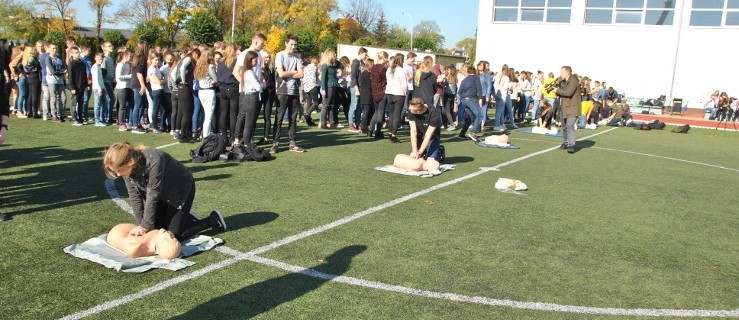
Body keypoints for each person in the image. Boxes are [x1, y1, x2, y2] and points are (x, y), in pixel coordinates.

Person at [103, 142, 227, 241]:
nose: (119, 174)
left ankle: (211, 220)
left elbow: (153, 194)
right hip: (162, 194)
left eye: (120, 170)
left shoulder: (153, 160)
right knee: (156, 230)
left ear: (130, 162)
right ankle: (185, 216)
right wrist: (141, 225)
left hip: (180, 190)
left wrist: (145, 225)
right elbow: (134, 196)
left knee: (173, 236)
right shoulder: (128, 169)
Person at [270, 34, 305, 153]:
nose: (293, 47)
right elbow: (281, 74)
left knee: (293, 118)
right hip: (282, 90)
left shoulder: (297, 57)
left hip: (294, 91)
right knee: (279, 118)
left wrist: (288, 73)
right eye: (291, 44)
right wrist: (293, 72)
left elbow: (301, 74)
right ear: (286, 43)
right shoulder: (280, 55)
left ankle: (292, 143)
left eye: (295, 45)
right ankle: (275, 144)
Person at [106, 223, 182, 259]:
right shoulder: (162, 237)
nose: (168, 235)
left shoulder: (135, 247)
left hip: (118, 232)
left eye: (167, 239)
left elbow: (123, 240)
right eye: (172, 238)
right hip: (127, 230)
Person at [233, 51, 262, 145]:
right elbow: (258, 87)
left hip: (248, 97)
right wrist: (259, 86)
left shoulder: (246, 72)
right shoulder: (249, 72)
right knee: (249, 124)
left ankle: (245, 142)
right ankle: (246, 144)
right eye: (255, 60)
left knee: (247, 122)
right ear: (249, 61)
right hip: (251, 97)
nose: (256, 62)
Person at [551, 66, 580, 153]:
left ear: (567, 72)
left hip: (572, 108)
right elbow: (563, 93)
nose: (561, 74)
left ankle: (571, 145)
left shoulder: (573, 81)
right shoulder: (565, 82)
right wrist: (556, 91)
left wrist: (557, 90)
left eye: (562, 72)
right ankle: (566, 142)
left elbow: (568, 93)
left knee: (570, 126)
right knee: (564, 127)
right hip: (564, 107)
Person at [216, 44, 240, 143]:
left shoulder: (220, 62)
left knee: (223, 114)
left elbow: (218, 75)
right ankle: (233, 136)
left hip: (222, 89)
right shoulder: (236, 61)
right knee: (233, 114)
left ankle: (224, 136)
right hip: (233, 88)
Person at [384, 53, 408, 143]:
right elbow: (404, 83)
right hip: (399, 94)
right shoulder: (400, 70)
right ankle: (394, 134)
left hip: (389, 93)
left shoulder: (389, 69)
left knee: (391, 114)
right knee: (397, 115)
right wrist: (405, 92)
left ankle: (390, 132)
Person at [194, 49, 217, 137]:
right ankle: (206, 135)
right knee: (209, 115)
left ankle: (206, 132)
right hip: (209, 91)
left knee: (206, 113)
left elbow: (196, 78)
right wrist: (213, 81)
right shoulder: (210, 66)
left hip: (201, 91)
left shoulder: (199, 66)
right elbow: (216, 79)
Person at [457, 66, 484, 142]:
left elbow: (459, 92)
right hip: (471, 99)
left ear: (468, 72)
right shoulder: (476, 77)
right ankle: (474, 132)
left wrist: (464, 98)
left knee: (471, 117)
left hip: (464, 100)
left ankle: (462, 134)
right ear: (474, 72)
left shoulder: (464, 80)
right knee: (480, 115)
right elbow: (479, 88)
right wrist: (480, 98)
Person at [129, 41, 149, 133]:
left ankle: (138, 124)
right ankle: (135, 125)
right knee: (138, 105)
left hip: (136, 84)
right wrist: (143, 85)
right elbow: (139, 73)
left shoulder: (137, 58)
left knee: (141, 105)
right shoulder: (140, 59)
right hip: (138, 84)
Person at [319, 49, 341, 129]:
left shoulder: (333, 65)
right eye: (333, 54)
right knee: (326, 105)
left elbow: (341, 65)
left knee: (332, 105)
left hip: (333, 86)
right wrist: (324, 89)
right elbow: (323, 78)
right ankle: (323, 123)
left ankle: (332, 123)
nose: (335, 56)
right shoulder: (325, 65)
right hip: (329, 86)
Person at [45, 44, 66, 122]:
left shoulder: (59, 58)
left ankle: (62, 115)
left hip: (60, 81)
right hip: (52, 81)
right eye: (53, 48)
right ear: (50, 49)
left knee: (63, 97)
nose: (55, 50)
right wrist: (61, 72)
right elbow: (53, 71)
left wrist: (60, 71)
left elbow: (65, 68)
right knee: (53, 98)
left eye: (56, 48)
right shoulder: (48, 58)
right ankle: (54, 115)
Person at [348, 48, 368, 132]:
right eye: (365, 54)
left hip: (361, 87)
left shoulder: (362, 63)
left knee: (359, 107)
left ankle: (357, 123)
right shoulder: (355, 63)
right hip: (355, 87)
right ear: (361, 53)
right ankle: (350, 125)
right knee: (353, 106)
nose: (366, 56)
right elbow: (353, 76)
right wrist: (356, 88)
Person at [67, 46, 87, 126]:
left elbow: (84, 75)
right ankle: (75, 119)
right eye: (76, 53)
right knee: (74, 103)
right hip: (75, 87)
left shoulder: (82, 63)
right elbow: (70, 77)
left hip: (81, 86)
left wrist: (86, 84)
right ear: (72, 54)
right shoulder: (71, 64)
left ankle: (80, 118)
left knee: (81, 103)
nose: (78, 54)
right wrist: (72, 87)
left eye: (78, 52)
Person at [147, 53, 166, 133]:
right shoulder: (151, 69)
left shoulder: (157, 68)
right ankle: (154, 127)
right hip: (156, 90)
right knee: (156, 109)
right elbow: (159, 82)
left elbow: (161, 78)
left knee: (166, 108)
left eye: (158, 60)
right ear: (151, 60)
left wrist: (163, 80)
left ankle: (162, 125)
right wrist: (164, 80)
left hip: (160, 90)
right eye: (155, 60)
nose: (157, 62)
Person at [115, 49, 133, 131]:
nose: (130, 57)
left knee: (131, 104)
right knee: (122, 106)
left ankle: (130, 121)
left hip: (128, 86)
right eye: (129, 56)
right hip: (121, 87)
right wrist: (129, 76)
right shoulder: (120, 64)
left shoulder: (129, 64)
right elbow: (118, 76)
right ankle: (121, 123)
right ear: (125, 56)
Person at [301, 56, 320, 127]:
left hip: (306, 87)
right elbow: (318, 76)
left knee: (308, 104)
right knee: (316, 103)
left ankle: (308, 121)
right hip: (312, 86)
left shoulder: (306, 67)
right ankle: (307, 114)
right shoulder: (315, 68)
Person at [358, 58, 374, 135]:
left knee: (369, 111)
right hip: (366, 95)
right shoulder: (365, 73)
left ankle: (366, 126)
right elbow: (369, 85)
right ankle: (363, 127)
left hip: (368, 95)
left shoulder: (368, 73)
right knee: (366, 112)